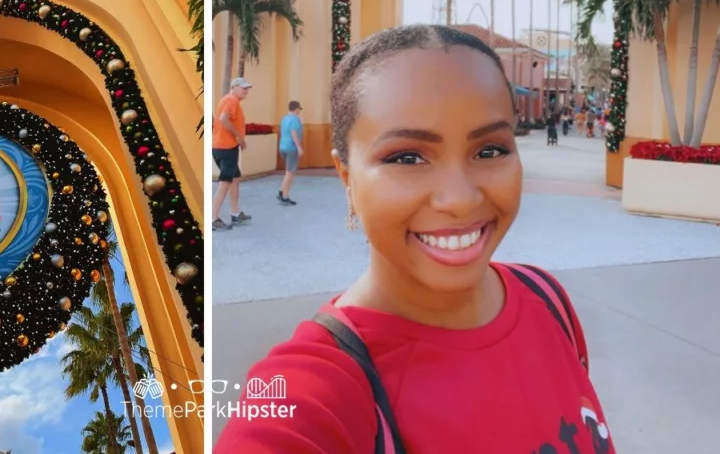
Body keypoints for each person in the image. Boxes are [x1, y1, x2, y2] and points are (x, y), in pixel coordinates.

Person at [216, 25, 612, 453]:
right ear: (346, 176)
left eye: (490, 150)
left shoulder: (548, 301)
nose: (459, 200)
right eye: (407, 157)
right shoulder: (308, 393)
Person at [211, 77, 253, 230]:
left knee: (234, 177)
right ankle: (213, 218)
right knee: (226, 182)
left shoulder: (228, 100)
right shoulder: (232, 100)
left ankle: (235, 213)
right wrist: (239, 137)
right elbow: (223, 119)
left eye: (247, 88)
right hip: (226, 147)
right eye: (243, 87)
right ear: (234, 87)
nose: (246, 90)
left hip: (222, 146)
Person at [278, 100, 305, 205]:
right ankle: (285, 196)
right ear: (297, 109)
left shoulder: (284, 118)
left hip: (283, 146)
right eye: (300, 109)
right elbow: (293, 133)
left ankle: (282, 191)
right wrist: (299, 147)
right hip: (291, 148)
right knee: (290, 173)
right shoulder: (295, 120)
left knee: (288, 171)